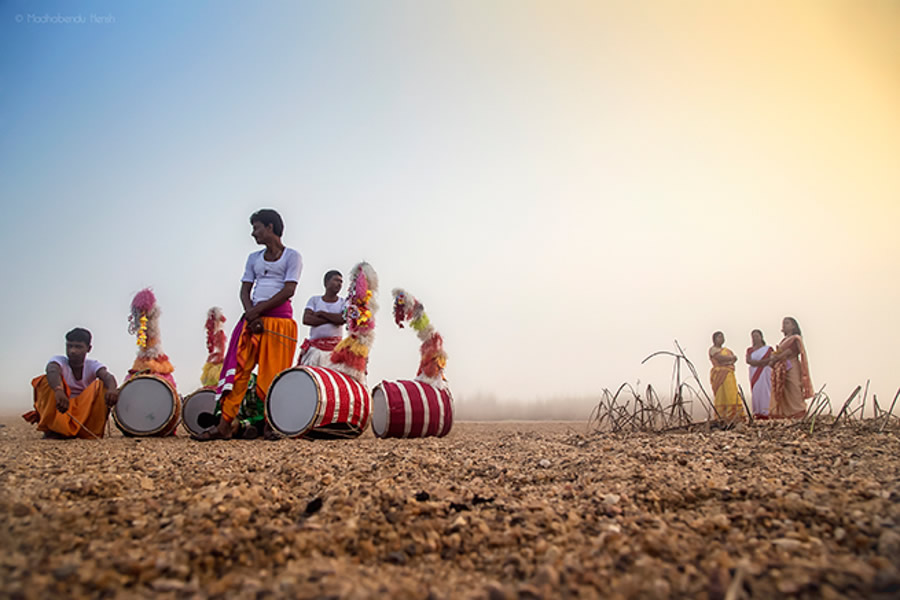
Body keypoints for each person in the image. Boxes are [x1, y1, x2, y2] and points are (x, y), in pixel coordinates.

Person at [194, 209, 301, 441]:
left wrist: (257, 312)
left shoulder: (292, 256)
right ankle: (224, 424)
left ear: (270, 227)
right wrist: (250, 315)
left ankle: (270, 425)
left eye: (256, 227)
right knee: (239, 371)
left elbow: (289, 290)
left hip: (278, 322)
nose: (253, 233)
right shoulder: (253, 258)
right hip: (252, 320)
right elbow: (244, 289)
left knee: (273, 375)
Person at [23, 328, 119, 439]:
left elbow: (107, 376)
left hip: (84, 412)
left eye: (78, 347)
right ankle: (54, 430)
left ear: (88, 349)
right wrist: (58, 390)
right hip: (62, 407)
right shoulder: (58, 361)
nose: (72, 351)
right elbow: (52, 370)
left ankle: (89, 432)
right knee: (45, 381)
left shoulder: (93, 365)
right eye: (69, 346)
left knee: (103, 386)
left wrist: (112, 389)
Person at [298, 270, 346, 367]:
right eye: (336, 280)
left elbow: (342, 319)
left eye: (341, 282)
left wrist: (321, 313)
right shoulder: (314, 300)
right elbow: (307, 319)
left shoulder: (343, 302)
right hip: (315, 350)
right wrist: (333, 319)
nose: (339, 284)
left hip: (335, 351)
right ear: (326, 282)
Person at [768, 316, 813, 418]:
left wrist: (776, 358)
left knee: (794, 388)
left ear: (793, 326)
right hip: (782, 367)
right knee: (784, 390)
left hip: (792, 366)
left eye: (787, 323)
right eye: (783, 323)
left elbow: (789, 352)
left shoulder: (795, 338)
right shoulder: (784, 340)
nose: (784, 325)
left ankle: (798, 412)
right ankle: (786, 413)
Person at [709, 331, 744, 421]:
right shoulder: (713, 350)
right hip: (719, 374)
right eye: (719, 337)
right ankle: (722, 415)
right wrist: (730, 359)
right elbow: (720, 358)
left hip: (729, 374)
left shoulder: (727, 350)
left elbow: (734, 359)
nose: (721, 339)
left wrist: (729, 360)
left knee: (732, 393)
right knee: (721, 394)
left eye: (722, 337)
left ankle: (734, 415)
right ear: (714, 339)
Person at [746, 329, 773, 418]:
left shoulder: (768, 349)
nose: (755, 338)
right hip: (754, 372)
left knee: (765, 390)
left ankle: (766, 411)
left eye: (757, 336)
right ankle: (757, 411)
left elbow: (771, 359)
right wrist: (759, 363)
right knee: (756, 391)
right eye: (753, 337)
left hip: (764, 371)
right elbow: (748, 360)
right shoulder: (750, 350)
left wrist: (760, 363)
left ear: (761, 337)